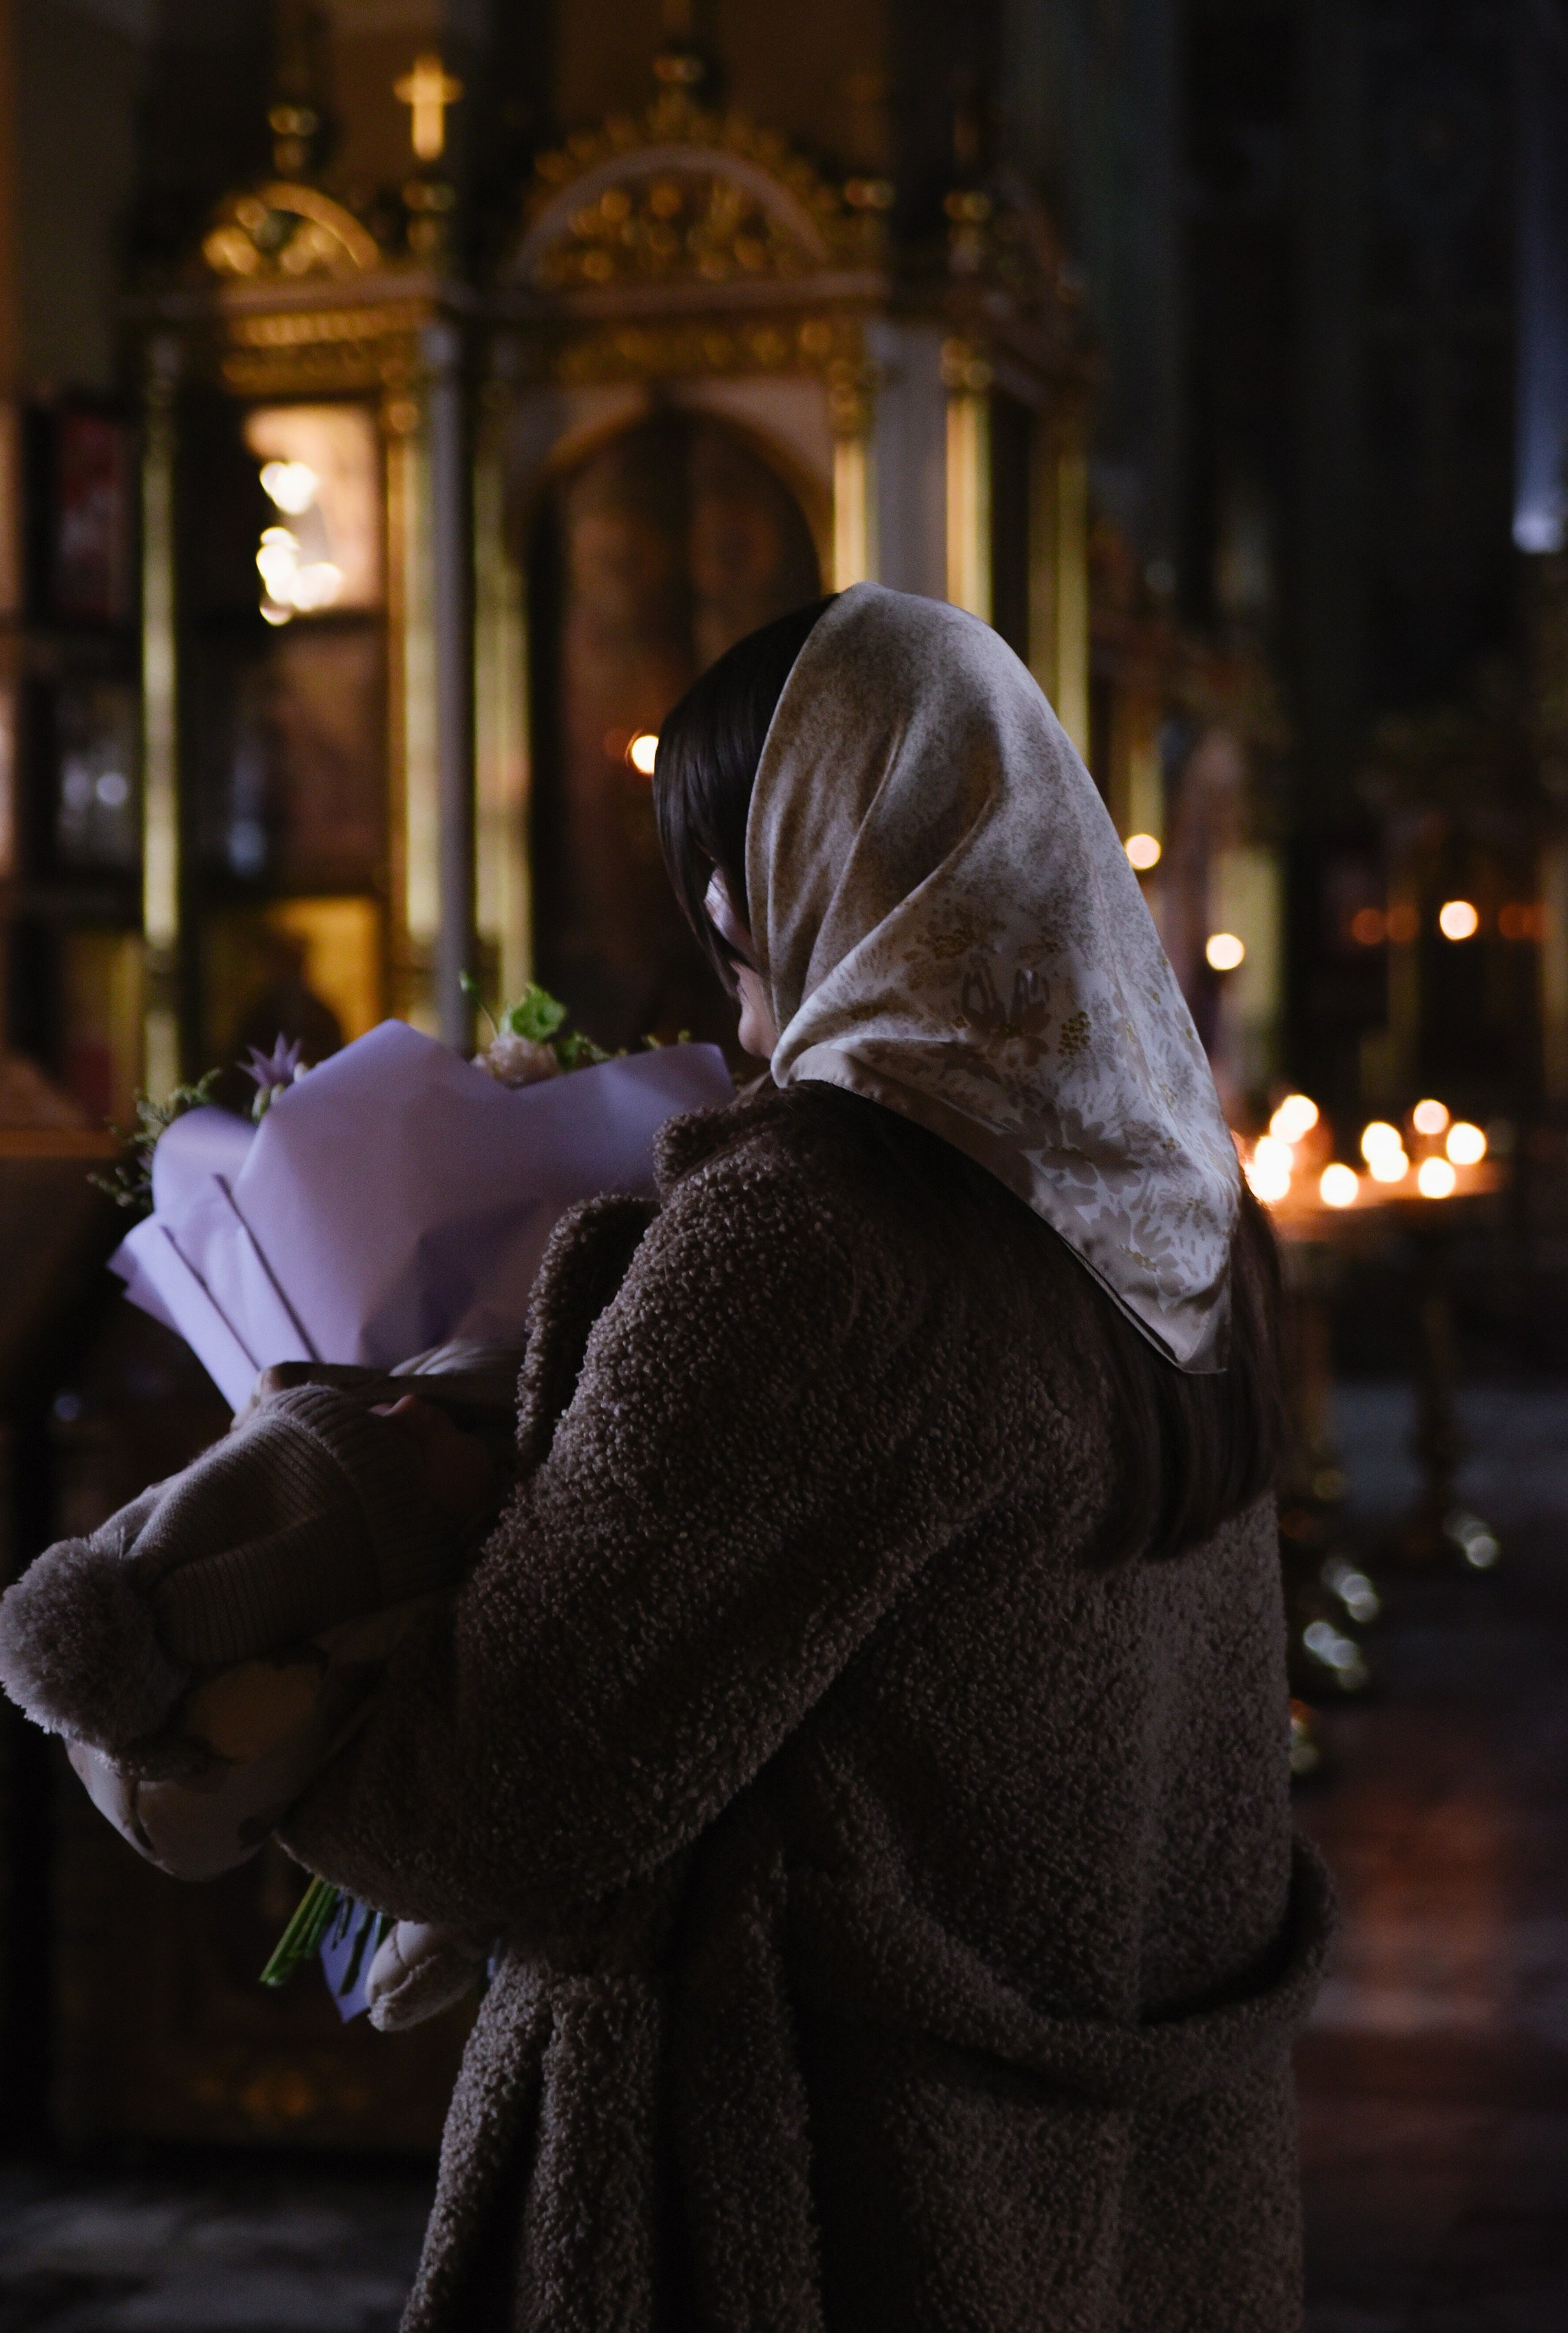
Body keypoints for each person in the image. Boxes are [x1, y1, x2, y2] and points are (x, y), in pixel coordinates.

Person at [281, 586, 1332, 2332]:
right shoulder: (1178, 1201)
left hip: (849, 2201)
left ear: (783, 865)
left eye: (728, 864)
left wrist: (337, 1538)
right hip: (1130, 2206)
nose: (718, 929)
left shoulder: (817, 1235)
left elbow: (505, 1796)